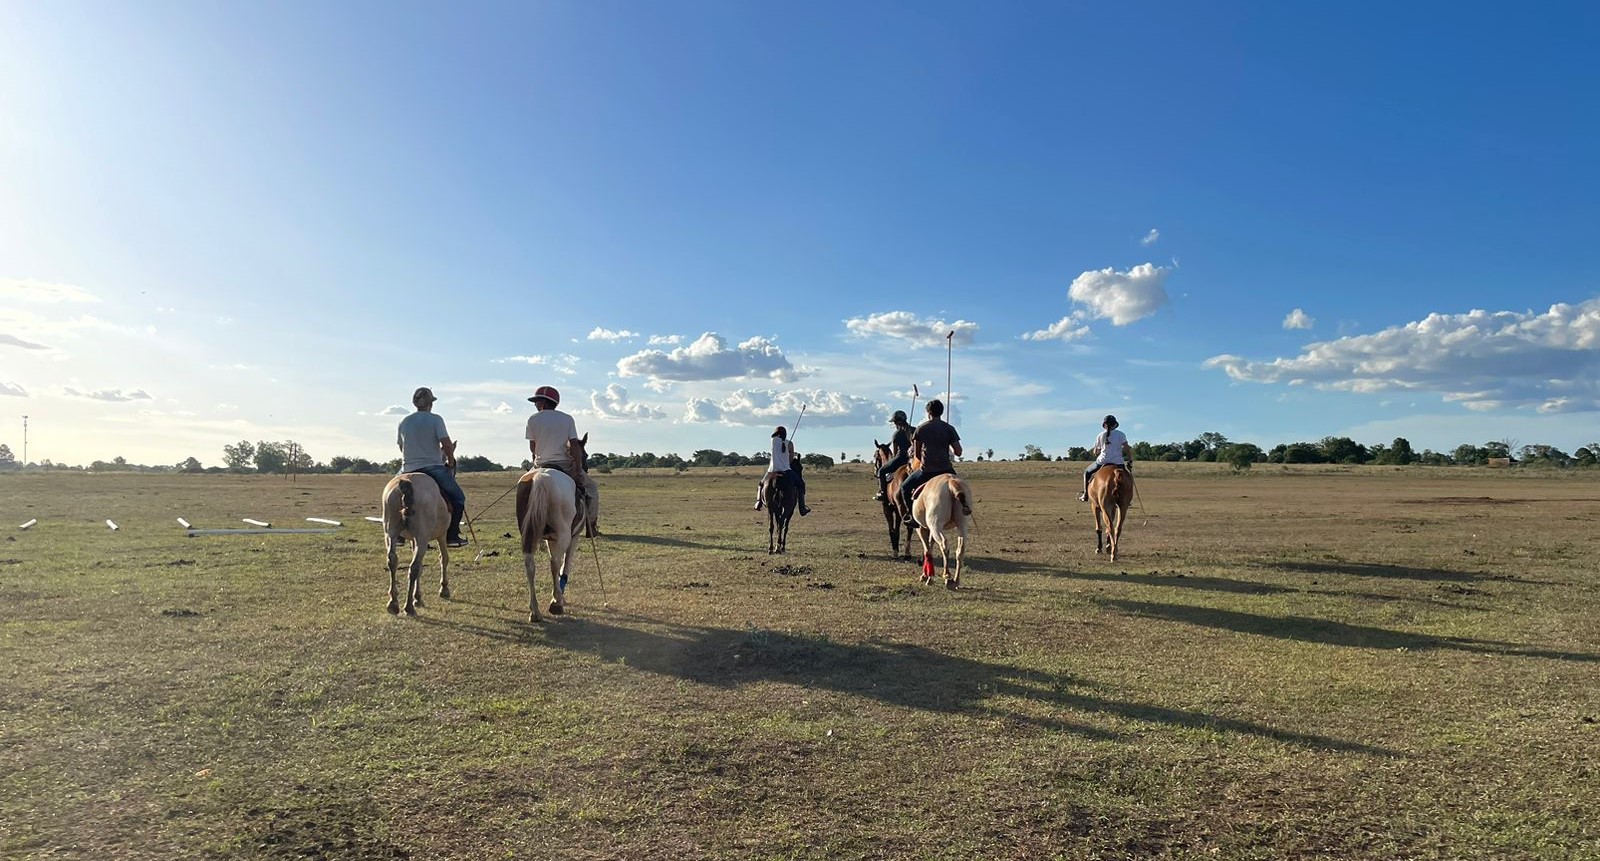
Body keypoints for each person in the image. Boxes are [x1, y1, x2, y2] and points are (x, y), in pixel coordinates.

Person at [397, 386, 469, 547]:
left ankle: (397, 534)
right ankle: (452, 535)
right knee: (458, 498)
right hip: (432, 467)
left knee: (392, 494)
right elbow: (447, 445)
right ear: (431, 403)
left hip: (406, 469)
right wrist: (450, 461)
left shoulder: (404, 421)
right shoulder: (436, 419)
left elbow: (402, 448)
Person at [525, 385, 601, 536]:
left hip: (540, 465)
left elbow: (533, 448)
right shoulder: (567, 419)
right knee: (592, 490)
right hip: (563, 464)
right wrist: (578, 468)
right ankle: (591, 527)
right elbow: (574, 446)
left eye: (536, 401)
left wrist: (535, 463)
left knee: (524, 489)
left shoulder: (532, 419)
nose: (535, 404)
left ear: (543, 402)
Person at [897, 399, 965, 527]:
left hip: (927, 471)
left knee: (904, 487)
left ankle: (911, 516)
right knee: (960, 487)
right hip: (946, 470)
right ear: (942, 412)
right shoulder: (949, 428)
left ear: (928, 413)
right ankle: (964, 507)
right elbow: (959, 452)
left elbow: (917, 454)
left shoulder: (921, 429)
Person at [753, 425, 811, 516]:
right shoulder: (790, 444)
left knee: (761, 484)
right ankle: (802, 508)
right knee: (801, 484)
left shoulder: (773, 441)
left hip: (772, 470)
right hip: (786, 470)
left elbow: (775, 439)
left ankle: (758, 502)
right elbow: (791, 460)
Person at [1080, 414, 1134, 502]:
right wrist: (1130, 460)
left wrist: (1097, 451)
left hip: (1102, 461)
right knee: (1128, 478)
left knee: (1087, 473)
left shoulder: (1100, 435)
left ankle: (1085, 495)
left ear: (1105, 425)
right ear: (1115, 424)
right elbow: (1127, 449)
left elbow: (1096, 452)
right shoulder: (1121, 434)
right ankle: (1127, 498)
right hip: (1118, 462)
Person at [872, 409, 914, 501]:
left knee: (881, 471)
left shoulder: (896, 434)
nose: (894, 424)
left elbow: (895, 453)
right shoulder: (914, 430)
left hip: (900, 459)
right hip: (913, 459)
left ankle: (882, 493)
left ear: (897, 422)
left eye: (894, 422)